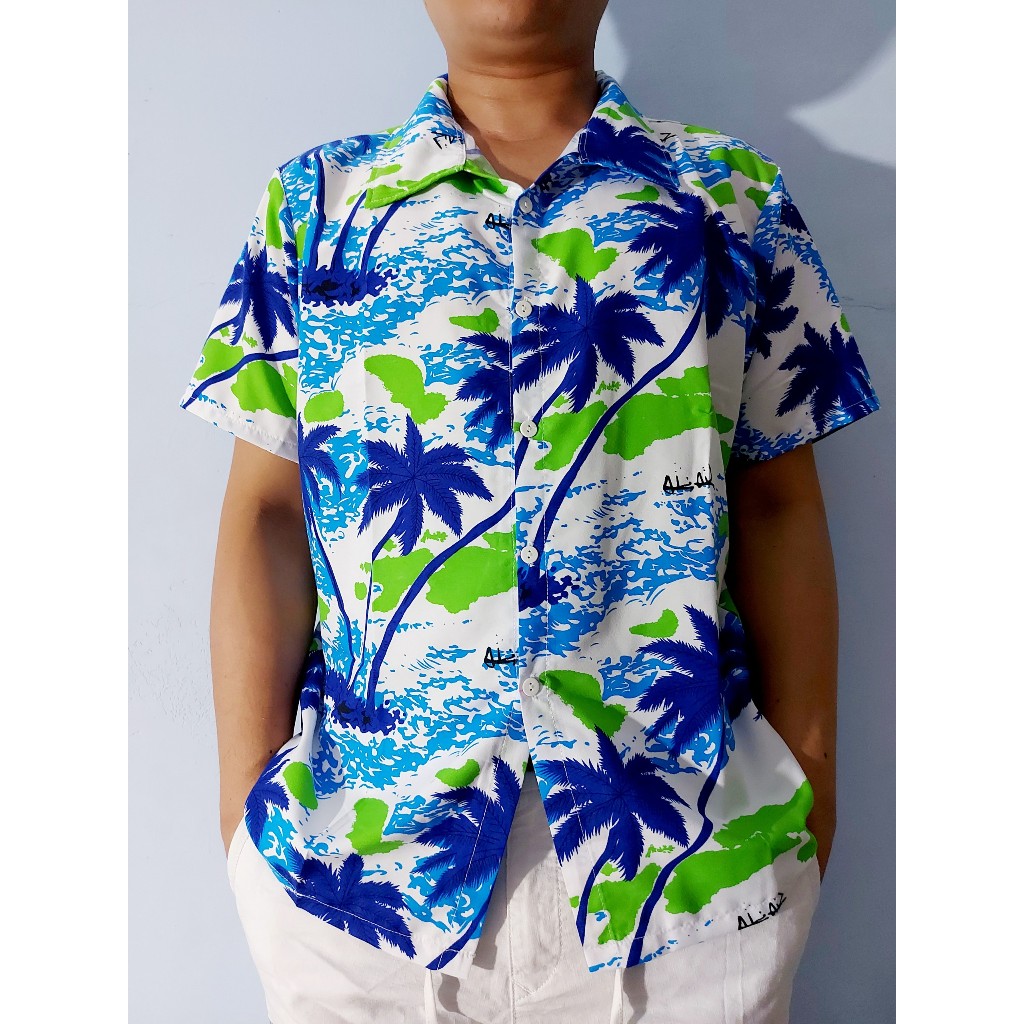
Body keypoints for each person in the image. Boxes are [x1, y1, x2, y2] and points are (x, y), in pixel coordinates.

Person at [178, 1, 880, 1021]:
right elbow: (266, 514)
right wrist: (244, 802)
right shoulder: (316, 205)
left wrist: (809, 778)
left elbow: (778, 503)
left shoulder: (729, 196)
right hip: (356, 887)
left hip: (694, 874)